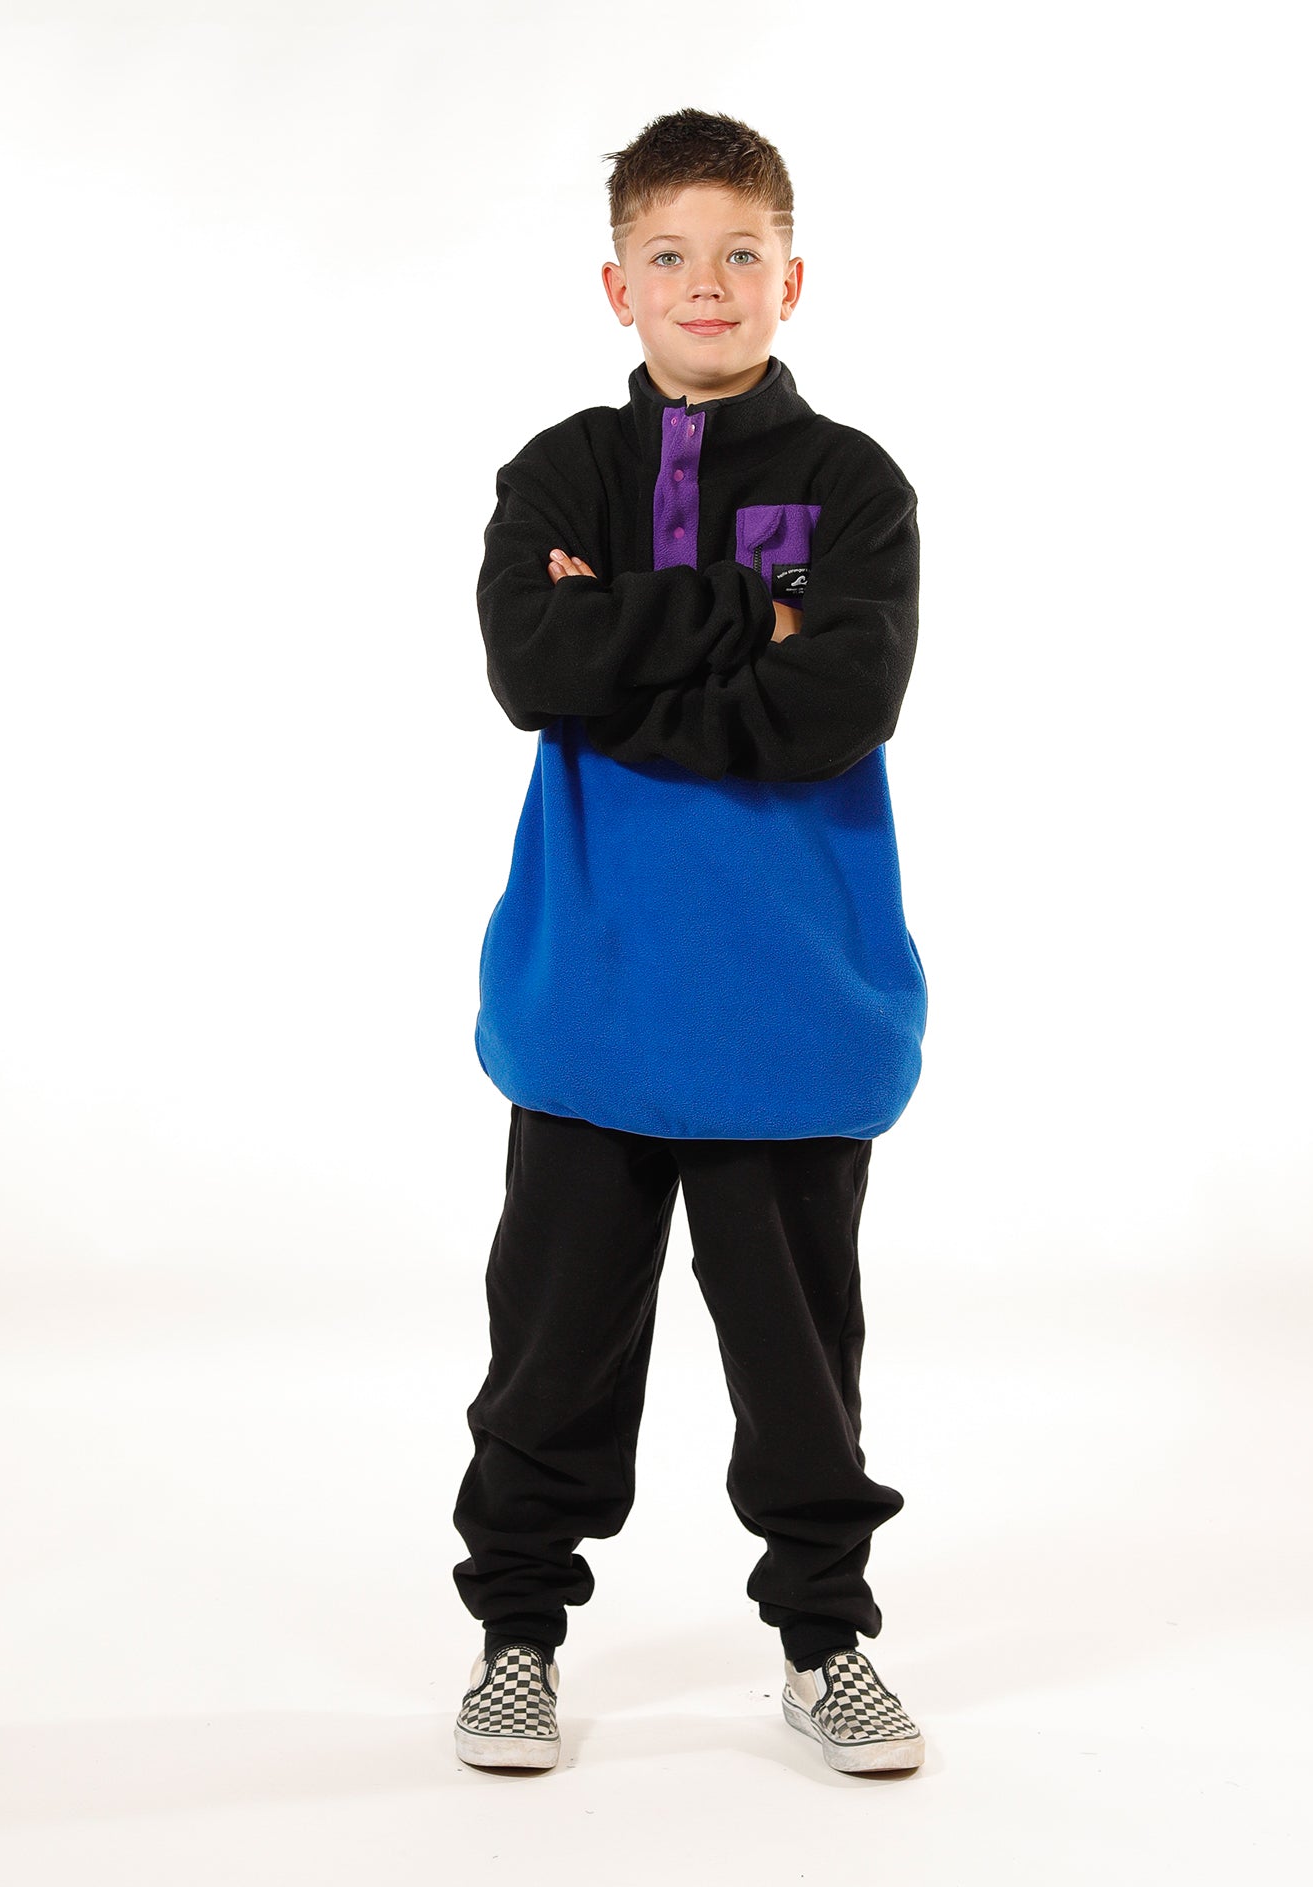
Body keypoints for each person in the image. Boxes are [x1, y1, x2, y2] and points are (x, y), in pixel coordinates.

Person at [449, 108, 928, 1777]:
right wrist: (747, 614)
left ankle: (824, 1642)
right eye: (667, 254)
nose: (704, 283)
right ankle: (516, 1634)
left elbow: (837, 706)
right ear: (617, 285)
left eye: (738, 252)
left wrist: (620, 645)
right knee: (550, 1359)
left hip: (791, 1003)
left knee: (800, 1372)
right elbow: (532, 668)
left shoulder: (852, 485)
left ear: (791, 278)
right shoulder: (563, 470)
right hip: (591, 996)